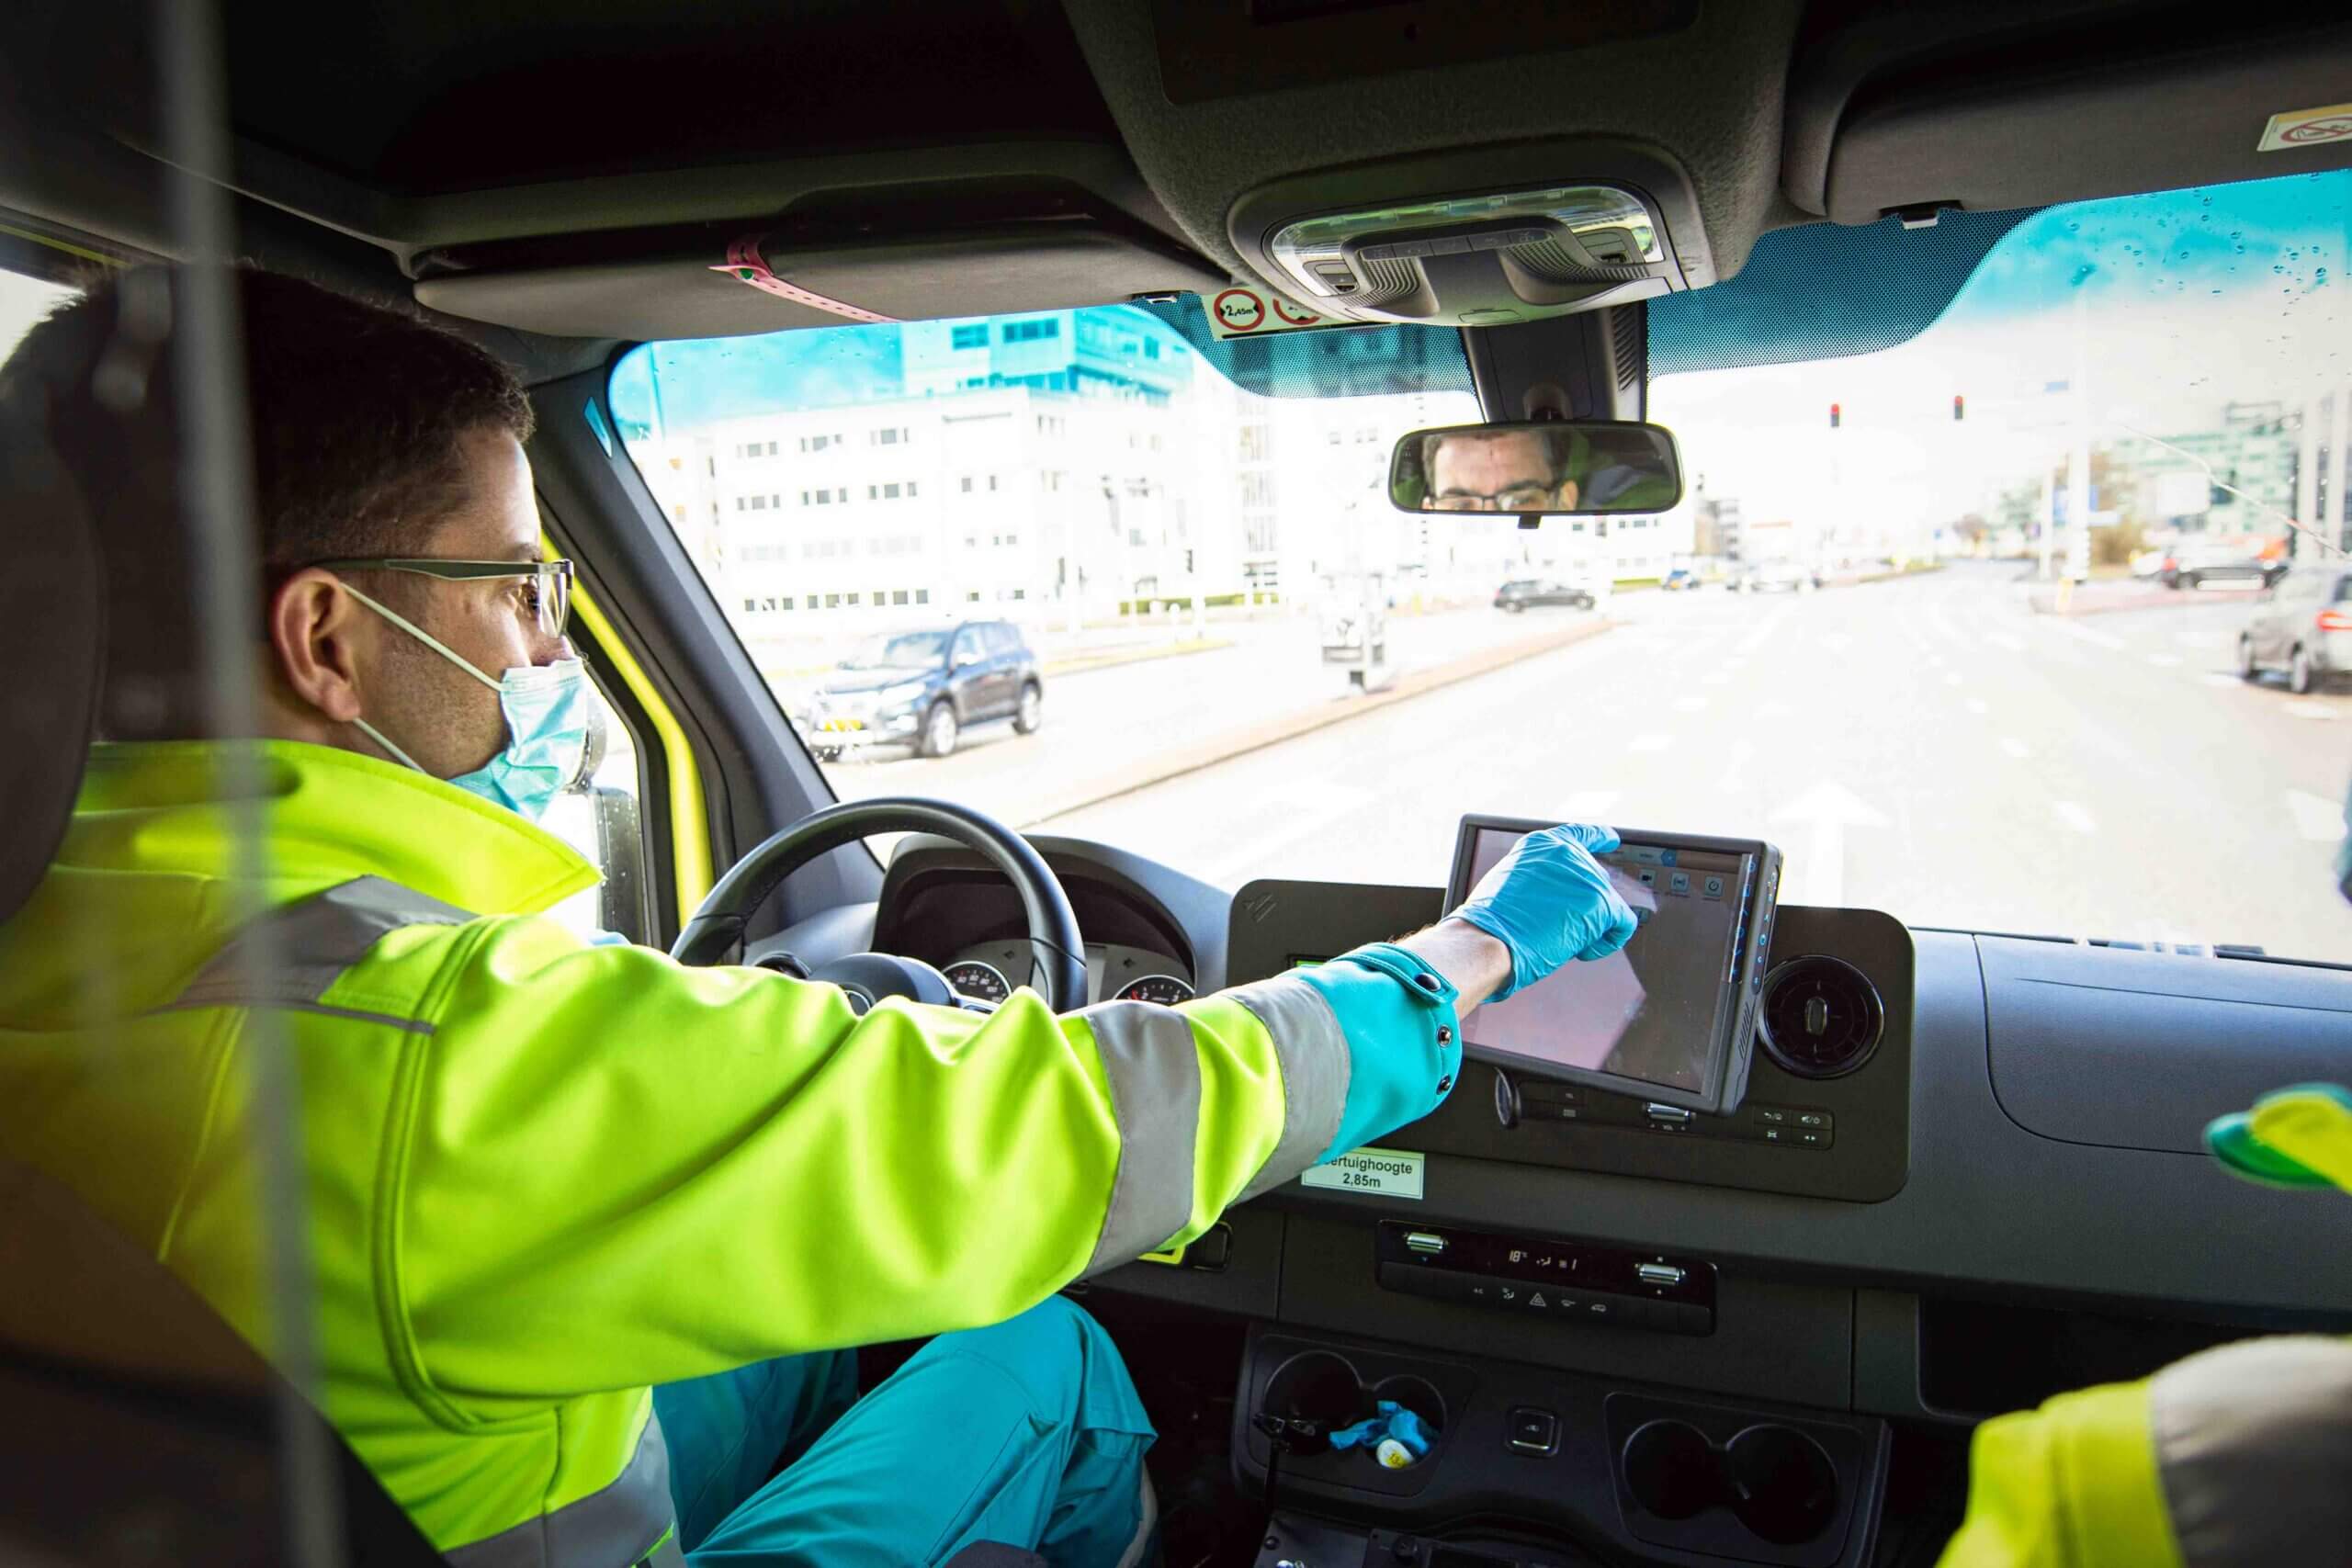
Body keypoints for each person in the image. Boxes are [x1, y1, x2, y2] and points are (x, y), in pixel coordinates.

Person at [0, 266, 1638, 1568]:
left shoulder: (62, 934)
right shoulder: (414, 1056)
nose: (550, 651)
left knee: (807, 1354)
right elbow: (1060, 1128)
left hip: (385, 1471)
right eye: (515, 586)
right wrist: (1462, 961)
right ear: (328, 639)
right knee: (1041, 1358)